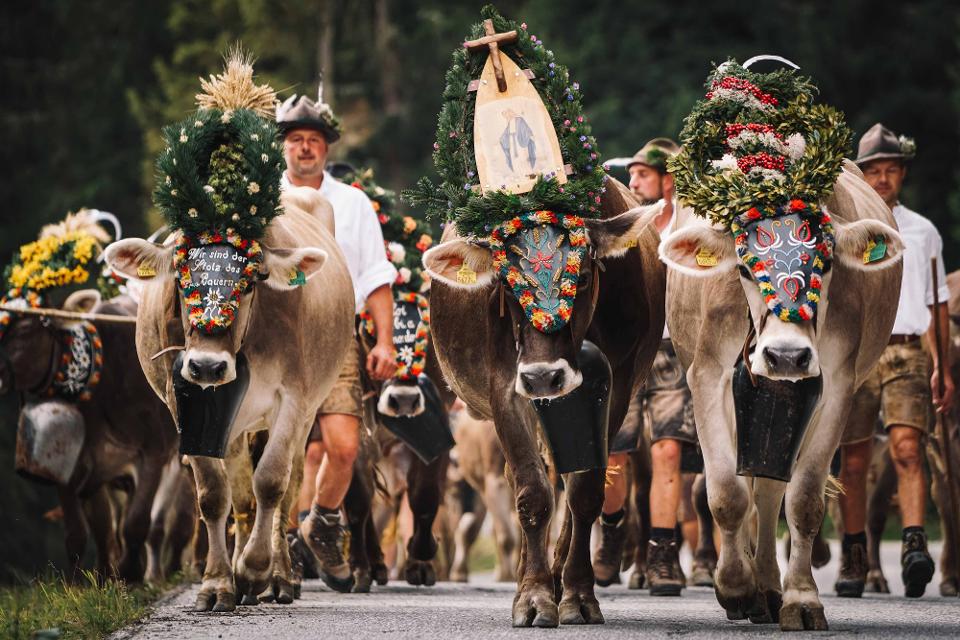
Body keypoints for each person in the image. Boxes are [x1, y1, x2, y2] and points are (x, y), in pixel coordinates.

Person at [276, 85, 398, 592]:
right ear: (283, 147)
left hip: (335, 335)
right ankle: (278, 546)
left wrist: (384, 342)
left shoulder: (352, 203)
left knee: (345, 447)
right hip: (273, 339)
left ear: (327, 147)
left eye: (314, 140)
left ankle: (322, 525)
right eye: (296, 139)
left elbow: (375, 276)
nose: (305, 147)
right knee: (276, 449)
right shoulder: (263, 203)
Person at [835, 123, 955, 599]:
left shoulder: (923, 231)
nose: (882, 179)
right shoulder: (847, 226)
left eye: (890, 170)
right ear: (861, 175)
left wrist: (942, 366)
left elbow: (936, 302)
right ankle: (854, 553)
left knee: (908, 448)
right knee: (854, 457)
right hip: (860, 348)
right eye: (874, 171)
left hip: (908, 349)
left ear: (902, 173)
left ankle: (913, 546)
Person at [593, 138, 710, 595]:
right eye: (632, 174)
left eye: (642, 174)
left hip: (670, 351)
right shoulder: (624, 225)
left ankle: (663, 554)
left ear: (669, 179)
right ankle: (612, 534)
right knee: (613, 453)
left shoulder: (691, 224)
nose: (633, 181)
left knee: (668, 452)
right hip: (625, 351)